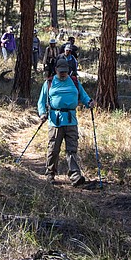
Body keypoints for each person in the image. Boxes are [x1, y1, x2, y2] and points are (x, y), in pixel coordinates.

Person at [37, 57, 93, 185]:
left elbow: (83, 96)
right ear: (55, 69)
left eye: (64, 71)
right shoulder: (49, 83)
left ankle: (75, 176)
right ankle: (50, 174)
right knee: (53, 148)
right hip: (55, 121)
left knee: (72, 149)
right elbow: (41, 101)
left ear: (68, 70)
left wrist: (89, 102)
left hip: (71, 120)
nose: (62, 73)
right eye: (60, 71)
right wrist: (42, 114)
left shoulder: (74, 82)